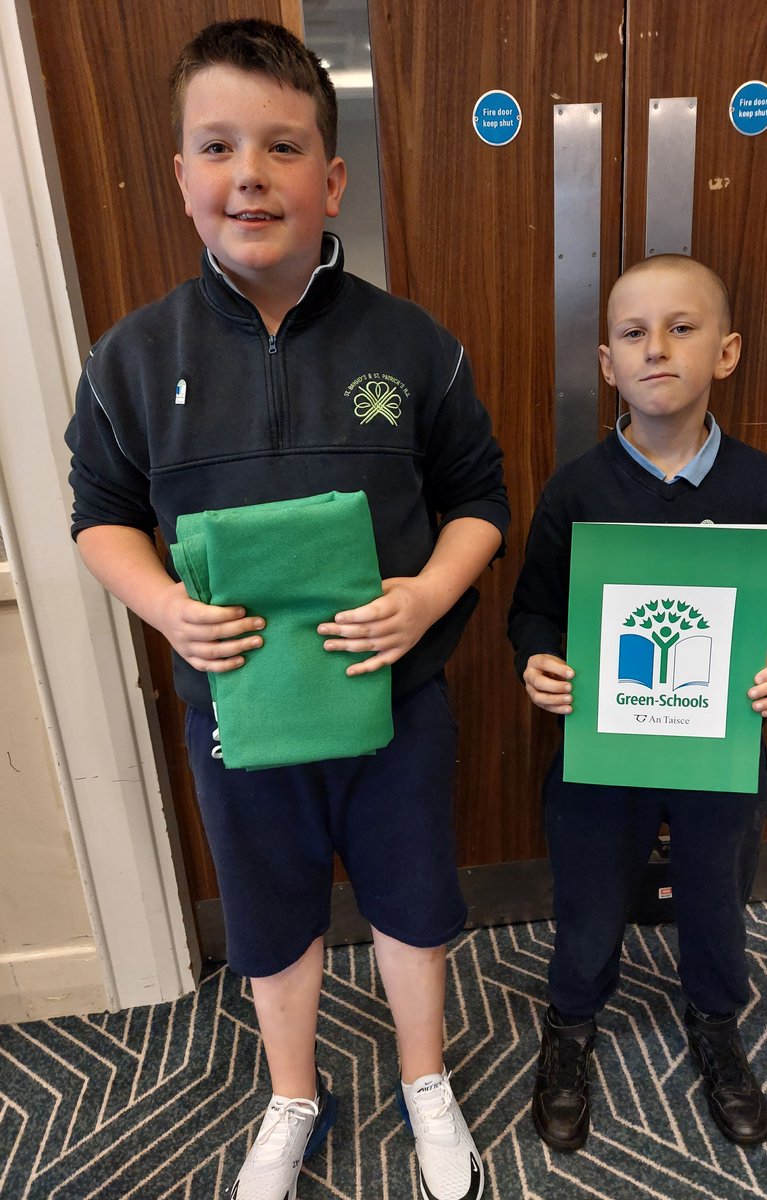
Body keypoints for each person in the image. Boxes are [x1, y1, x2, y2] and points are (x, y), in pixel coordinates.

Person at [65, 19, 507, 1200]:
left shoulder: (412, 344)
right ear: (181, 175)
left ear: (332, 177)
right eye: (217, 147)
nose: (248, 173)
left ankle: (426, 1081)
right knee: (271, 916)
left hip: (396, 700)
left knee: (414, 905)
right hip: (237, 713)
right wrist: (164, 605)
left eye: (281, 145)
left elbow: (481, 499)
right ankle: (292, 1093)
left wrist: (426, 596)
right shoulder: (128, 359)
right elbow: (97, 515)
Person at [508, 254, 767, 1151]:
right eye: (634, 333)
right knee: (591, 892)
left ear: (726, 352)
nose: (657, 349)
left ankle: (717, 1025)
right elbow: (534, 606)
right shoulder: (576, 491)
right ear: (607, 363)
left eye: (682, 328)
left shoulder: (764, 489)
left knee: (718, 893)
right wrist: (538, 659)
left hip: (717, 747)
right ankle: (570, 1026)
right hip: (602, 746)